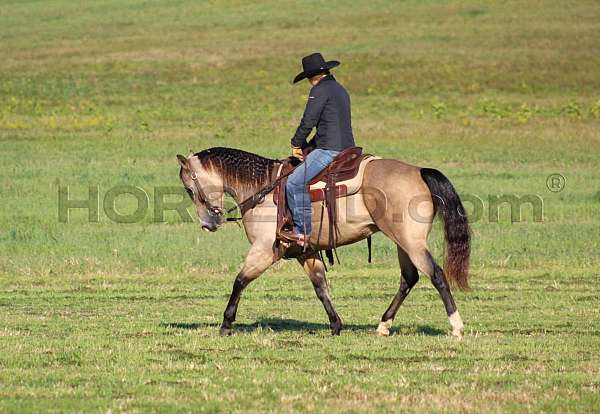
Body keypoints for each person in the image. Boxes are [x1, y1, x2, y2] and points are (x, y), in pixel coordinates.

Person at [283, 52, 356, 246]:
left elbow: (309, 120)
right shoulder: (339, 89)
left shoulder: (320, 90)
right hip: (348, 147)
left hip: (330, 149)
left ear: (311, 76)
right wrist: (309, 146)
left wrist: (296, 143)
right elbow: (330, 124)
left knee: (294, 183)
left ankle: (303, 232)